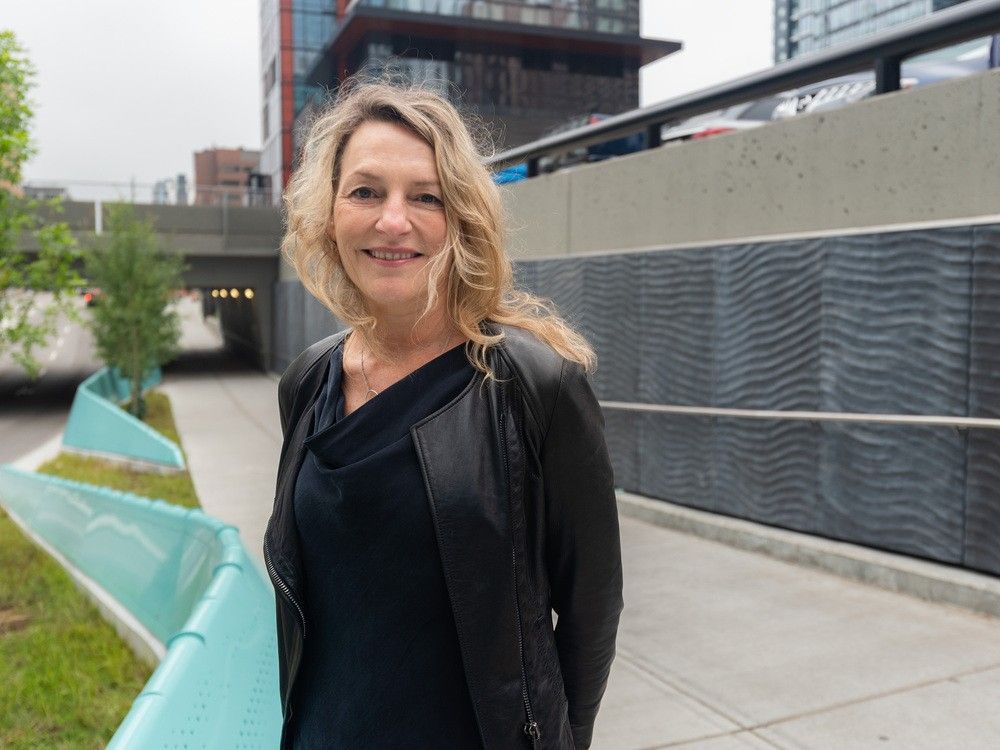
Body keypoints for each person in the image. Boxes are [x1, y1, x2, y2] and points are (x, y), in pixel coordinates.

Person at [264, 76, 624, 750]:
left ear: (459, 219)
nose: (392, 220)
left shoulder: (536, 384)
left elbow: (590, 610)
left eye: (424, 197)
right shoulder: (308, 382)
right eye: (365, 191)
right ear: (329, 213)